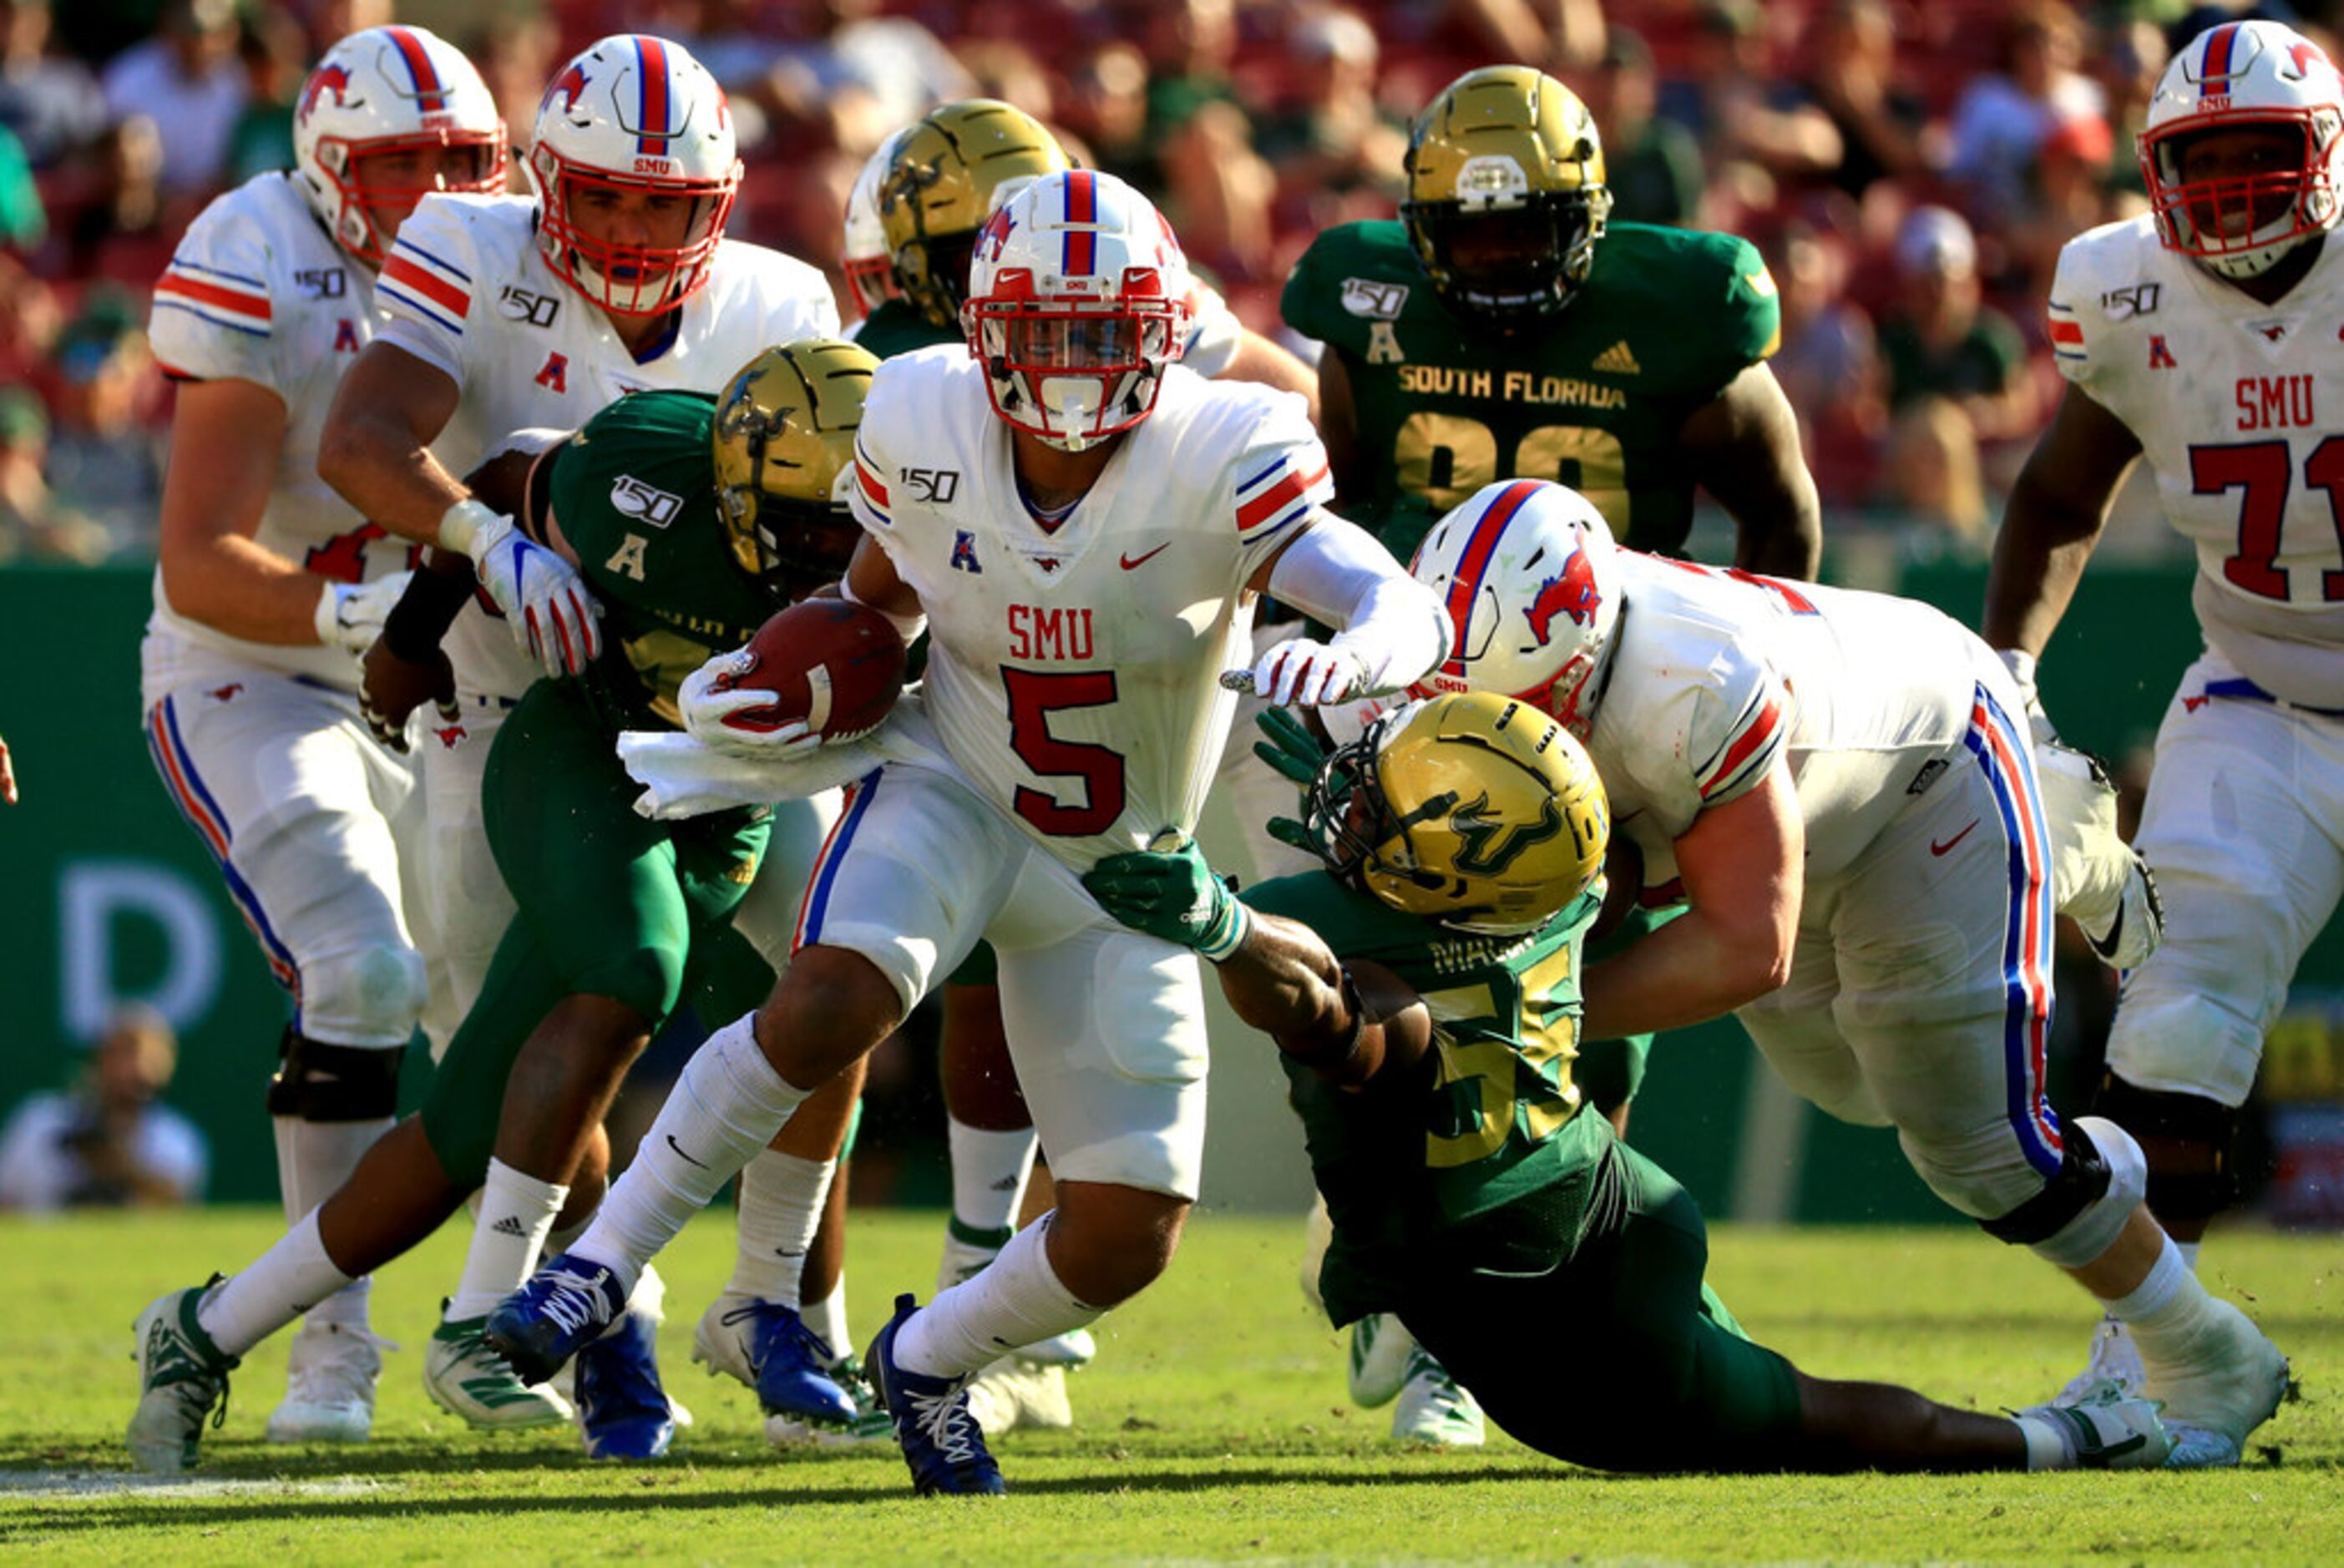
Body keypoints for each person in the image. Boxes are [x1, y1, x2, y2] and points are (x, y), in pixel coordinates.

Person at [487, 167, 1450, 1497]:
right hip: (953, 775)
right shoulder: (921, 407)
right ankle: (595, 1267)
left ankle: (927, 1358)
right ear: (986, 329)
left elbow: (1394, 601)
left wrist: (1359, 656)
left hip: (1129, 865)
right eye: (1039, 332)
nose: (1065, 367)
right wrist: (783, 682)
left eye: (1097, 334)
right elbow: (877, 603)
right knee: (830, 998)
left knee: (1127, 1229)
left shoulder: (1227, 443)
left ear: (1161, 333)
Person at [1408, 477, 2290, 1470]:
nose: (1503, 728)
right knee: (1851, 1088)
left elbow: (1747, 946)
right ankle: (2096, 1167)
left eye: (1526, 707)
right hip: (1798, 818)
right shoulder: (1511, 654)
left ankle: (2209, 1353)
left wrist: (1524, 1013)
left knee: (1977, 1153)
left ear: (1586, 651)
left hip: (1926, 785)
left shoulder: (1688, 682)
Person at [1084, 690, 2176, 1473]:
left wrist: (1228, 927)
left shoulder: (1362, 963)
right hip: (1604, 1186)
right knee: (1598, 1058)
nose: (1355, 802)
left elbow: (1344, 1018)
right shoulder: (1551, 892)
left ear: (1444, 864)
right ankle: (2072, 1429)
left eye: (1381, 802)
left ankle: (2068, 1438)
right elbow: (1531, 838)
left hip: (1546, 1300)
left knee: (1815, 1426)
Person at [127, 341, 873, 1473]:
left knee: (471, 1115)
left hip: (733, 800)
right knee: (635, 970)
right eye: (810, 519)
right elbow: (510, 470)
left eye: (853, 515)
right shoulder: (646, 473)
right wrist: (412, 632)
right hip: (582, 757)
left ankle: (203, 1328)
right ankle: (488, 1312)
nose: (837, 546)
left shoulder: (909, 529)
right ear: (730, 485)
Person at [1278, 61, 1821, 1442]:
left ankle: (1487, 1297)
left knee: (1570, 986)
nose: (1502, 262)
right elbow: (1331, 497)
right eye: (1471, 236)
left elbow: (1781, 512)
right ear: (1417, 230)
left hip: (1606, 684)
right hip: (1417, 694)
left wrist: (1743, 666)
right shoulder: (1364, 309)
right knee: (1388, 976)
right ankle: (1402, 1275)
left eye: (1529, 232)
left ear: (1585, 215)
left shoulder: (1681, 312)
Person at [316, 33, 840, 1429]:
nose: (626, 228)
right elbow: (362, 441)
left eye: (662, 203)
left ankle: (788, 1309)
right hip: (510, 703)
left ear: (713, 202)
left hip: (728, 718)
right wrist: (489, 543)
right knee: (529, 1027)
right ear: (546, 180)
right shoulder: (470, 243)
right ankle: (612, 1315)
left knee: (843, 963)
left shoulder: (783, 299)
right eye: (602, 195)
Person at [135, 24, 507, 1448]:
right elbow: (199, 559)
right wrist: (371, 621)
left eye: (459, 161)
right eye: (397, 161)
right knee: (359, 967)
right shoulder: (258, 247)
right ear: (324, 165)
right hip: (261, 668)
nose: (429, 189)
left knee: (509, 1006)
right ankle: (325, 1354)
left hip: (456, 676)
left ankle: (539, 1318)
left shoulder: (515, 253)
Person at [1982, 19, 2344, 1421]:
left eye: (2267, 156)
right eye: (2207, 162)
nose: (2236, 191)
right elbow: (2061, 494)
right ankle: (2157, 1368)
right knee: (2179, 1016)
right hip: (2266, 690)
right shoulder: (2124, 293)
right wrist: (2003, 671)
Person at [0, 1009, 206, 1211]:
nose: (133, 1068)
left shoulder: (177, 1140)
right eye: (120, 1053)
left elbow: (177, 1204)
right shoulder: (40, 1121)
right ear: (98, 1058)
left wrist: (117, 1166)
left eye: (149, 1059)